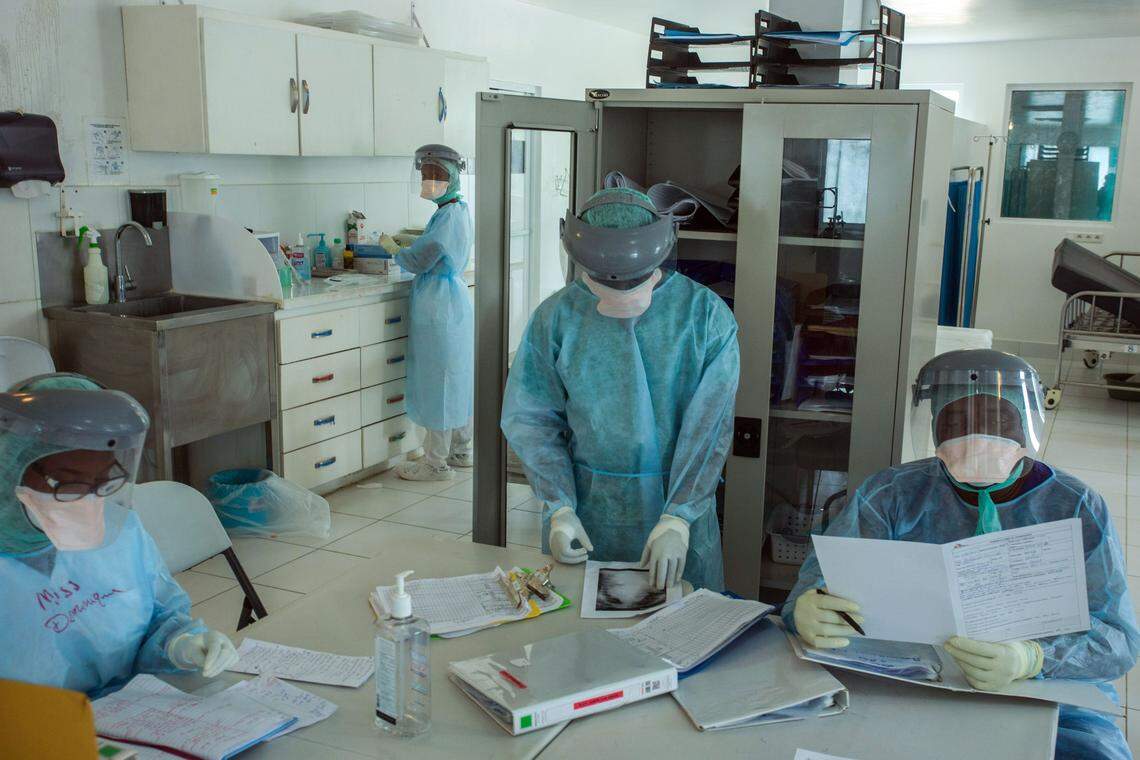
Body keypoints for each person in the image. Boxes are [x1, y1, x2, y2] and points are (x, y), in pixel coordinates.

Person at [784, 349, 1140, 759]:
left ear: (1025, 424)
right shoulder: (890, 495)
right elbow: (814, 589)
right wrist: (807, 613)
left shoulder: (1075, 505)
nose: (977, 436)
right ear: (933, 427)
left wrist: (1033, 657)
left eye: (996, 419)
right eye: (955, 421)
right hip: (910, 684)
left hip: (1046, 690)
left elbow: (1120, 640)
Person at [501, 187, 740, 591]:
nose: (622, 294)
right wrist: (559, 509)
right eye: (606, 283)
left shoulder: (704, 318)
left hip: (676, 519)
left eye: (633, 281)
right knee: (576, 642)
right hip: (587, 514)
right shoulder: (557, 318)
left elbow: (709, 430)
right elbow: (532, 420)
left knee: (680, 639)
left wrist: (677, 518)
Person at [0, 374, 239, 698]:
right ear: (11, 466)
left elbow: (155, 616)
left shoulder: (120, 532)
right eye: (70, 483)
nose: (89, 500)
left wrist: (180, 643)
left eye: (103, 480)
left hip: (132, 720)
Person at [382, 144, 474, 482]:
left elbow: (423, 257)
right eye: (424, 175)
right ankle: (462, 449)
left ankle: (436, 463)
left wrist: (395, 250)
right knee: (456, 376)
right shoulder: (456, 209)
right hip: (451, 302)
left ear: (449, 179)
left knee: (439, 382)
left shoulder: (449, 215)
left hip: (439, 304)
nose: (427, 181)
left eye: (433, 175)